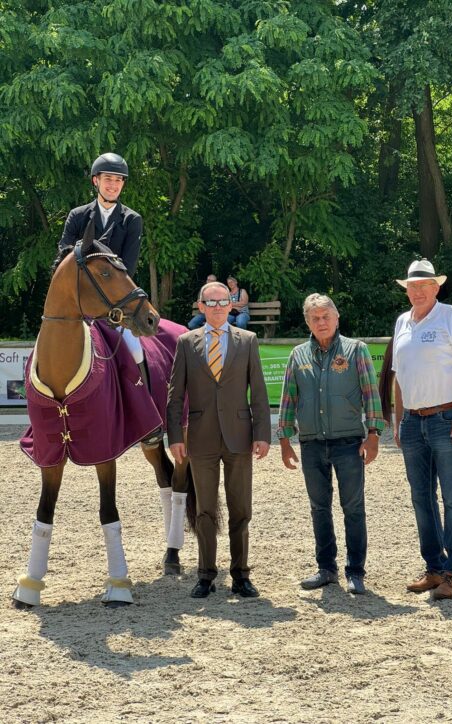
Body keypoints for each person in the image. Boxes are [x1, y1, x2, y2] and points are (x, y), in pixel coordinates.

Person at [167, 281, 271, 599]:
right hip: (200, 439)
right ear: (200, 307)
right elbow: (174, 395)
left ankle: (240, 575)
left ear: (231, 305)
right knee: (205, 511)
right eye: (209, 302)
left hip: (240, 437)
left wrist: (263, 434)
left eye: (221, 301)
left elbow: (260, 392)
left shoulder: (248, 341)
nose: (216, 307)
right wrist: (174, 436)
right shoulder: (186, 343)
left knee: (241, 510)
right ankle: (205, 574)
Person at [278, 293, 385, 595]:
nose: (321, 322)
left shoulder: (356, 351)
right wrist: (284, 438)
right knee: (318, 507)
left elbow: (370, 394)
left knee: (353, 507)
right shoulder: (297, 355)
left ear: (337, 318)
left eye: (326, 316)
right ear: (307, 322)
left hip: (349, 442)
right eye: (315, 318)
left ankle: (355, 571)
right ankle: (326, 569)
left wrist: (374, 433)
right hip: (311, 444)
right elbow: (288, 398)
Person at [393, 259, 452, 600]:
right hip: (413, 421)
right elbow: (399, 376)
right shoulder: (403, 321)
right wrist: (400, 418)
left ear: (435, 288)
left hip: (447, 418)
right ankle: (432, 567)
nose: (416, 291)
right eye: (411, 287)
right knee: (421, 497)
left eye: (422, 286)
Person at [59, 152, 160, 446]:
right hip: (79, 302)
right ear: (96, 181)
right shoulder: (78, 216)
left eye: (118, 181)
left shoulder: (131, 220)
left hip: (114, 305)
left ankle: (148, 417)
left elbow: (127, 268)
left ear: (122, 185)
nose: (113, 185)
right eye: (108, 179)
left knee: (137, 351)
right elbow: (63, 256)